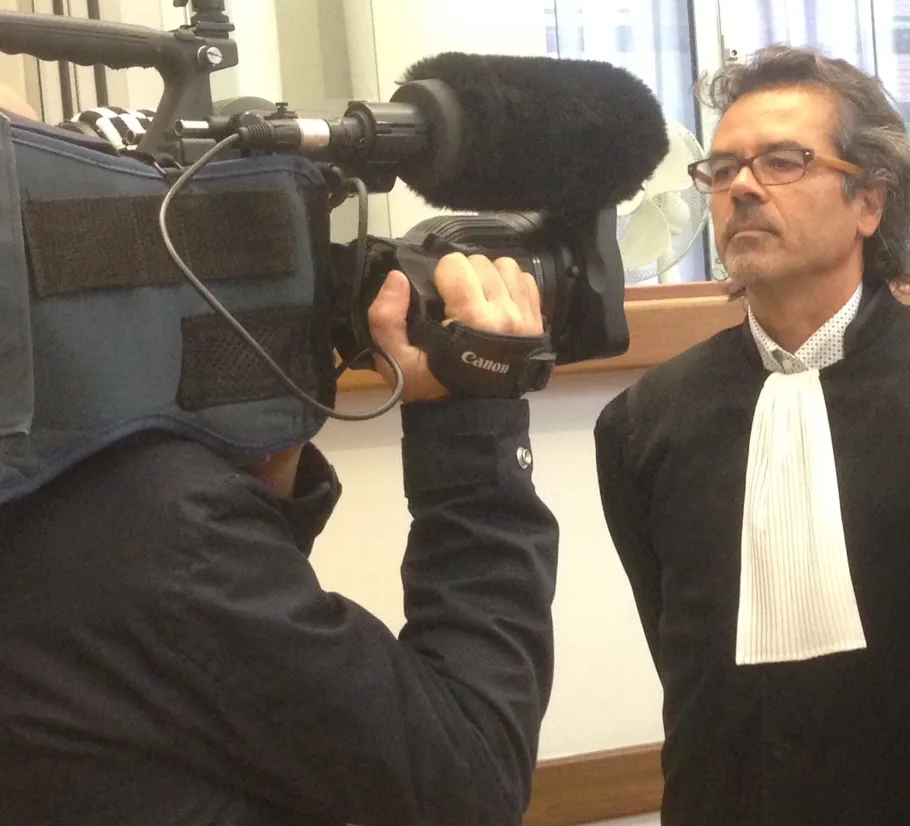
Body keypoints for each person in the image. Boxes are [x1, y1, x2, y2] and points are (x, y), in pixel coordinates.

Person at [593, 45, 910, 825]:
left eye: (783, 161)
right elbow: (685, 664)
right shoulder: (644, 424)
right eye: (723, 170)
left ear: (870, 201)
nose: (743, 188)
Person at [0, 215, 560, 826]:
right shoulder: (164, 536)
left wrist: (267, 446)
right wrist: (474, 419)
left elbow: (208, 696)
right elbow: (475, 775)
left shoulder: (58, 487)